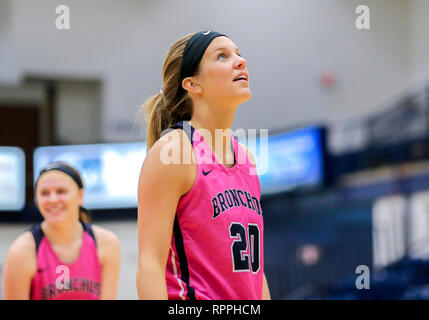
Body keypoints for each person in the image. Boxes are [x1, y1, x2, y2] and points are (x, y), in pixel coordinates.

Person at [136, 30, 270, 300]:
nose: (240, 61)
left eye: (239, 54)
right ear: (192, 84)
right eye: (222, 56)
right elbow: (149, 263)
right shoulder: (174, 151)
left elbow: (256, 273)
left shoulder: (247, 158)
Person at [2, 162, 121, 300]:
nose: (53, 199)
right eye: (44, 193)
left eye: (61, 191)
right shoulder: (21, 251)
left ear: (80, 196)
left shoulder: (106, 243)